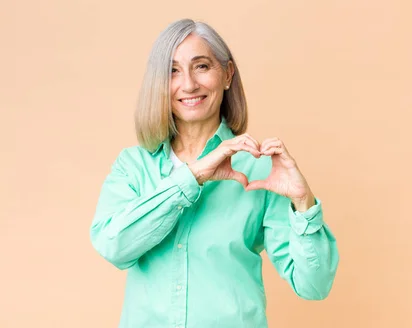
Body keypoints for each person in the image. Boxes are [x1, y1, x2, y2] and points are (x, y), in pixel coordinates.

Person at [89, 18, 339, 328]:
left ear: (227, 74)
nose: (189, 84)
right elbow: (114, 247)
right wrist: (191, 177)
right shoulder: (134, 166)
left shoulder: (261, 169)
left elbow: (313, 285)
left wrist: (304, 203)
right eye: (173, 71)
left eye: (202, 66)